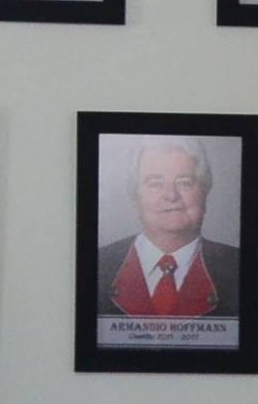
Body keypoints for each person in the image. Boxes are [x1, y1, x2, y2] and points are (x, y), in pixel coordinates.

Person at [91, 134, 242, 320]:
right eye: (155, 183)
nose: (171, 195)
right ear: (134, 197)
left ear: (205, 192)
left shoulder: (239, 268)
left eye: (184, 182)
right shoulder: (97, 265)